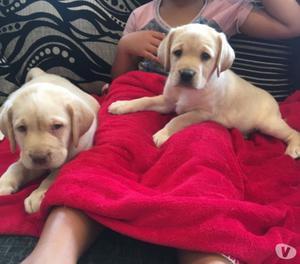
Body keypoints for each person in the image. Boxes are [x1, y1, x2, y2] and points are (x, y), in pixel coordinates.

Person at [22, 1, 300, 264]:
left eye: (203, 56)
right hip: (140, 89)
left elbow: (293, 24)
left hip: (204, 110)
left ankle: (209, 254)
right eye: (178, 52)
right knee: (109, 149)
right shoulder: (140, 15)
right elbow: (119, 77)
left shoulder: (227, 8)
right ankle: (55, 250)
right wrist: (125, 47)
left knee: (203, 155)